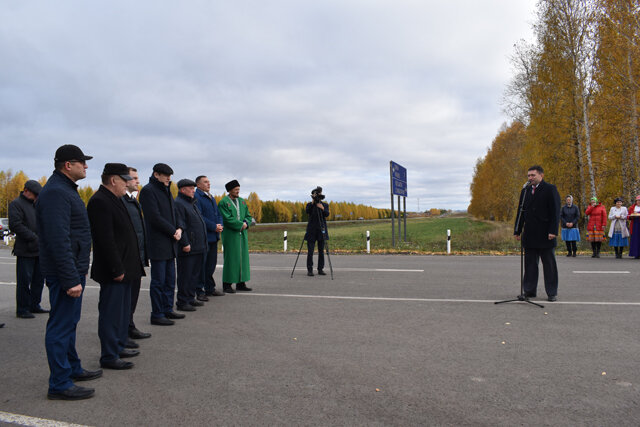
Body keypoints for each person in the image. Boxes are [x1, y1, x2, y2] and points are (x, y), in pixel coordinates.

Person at [37, 144, 101, 400]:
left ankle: (72, 368)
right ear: (67, 165)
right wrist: (70, 277)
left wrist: (78, 271)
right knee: (60, 327)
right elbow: (58, 239)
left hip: (73, 271)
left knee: (68, 324)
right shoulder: (55, 193)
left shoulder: (64, 190)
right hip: (65, 274)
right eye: (82, 162)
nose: (86, 166)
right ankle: (59, 383)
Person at [87, 163, 145, 370]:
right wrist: (117, 269)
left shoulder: (116, 199)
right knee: (111, 313)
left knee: (121, 312)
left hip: (126, 268)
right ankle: (109, 355)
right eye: (125, 180)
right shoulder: (100, 201)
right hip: (115, 271)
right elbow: (105, 240)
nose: (129, 184)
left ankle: (118, 345)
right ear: (113, 180)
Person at [139, 163, 185, 326]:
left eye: (170, 176)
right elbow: (154, 217)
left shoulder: (166, 190)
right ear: (156, 174)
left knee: (170, 280)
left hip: (171, 242)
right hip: (159, 243)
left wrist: (179, 227)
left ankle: (167, 309)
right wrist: (173, 231)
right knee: (159, 281)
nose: (169, 179)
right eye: (166, 176)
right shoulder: (148, 191)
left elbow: (175, 212)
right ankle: (157, 313)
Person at [514, 165, 561, 302]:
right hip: (529, 233)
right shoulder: (526, 190)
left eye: (533, 175)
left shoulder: (550, 189)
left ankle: (551, 292)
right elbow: (520, 211)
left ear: (541, 175)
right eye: (528, 175)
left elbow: (555, 211)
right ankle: (529, 290)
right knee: (530, 265)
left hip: (546, 234)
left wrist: (553, 230)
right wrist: (517, 230)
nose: (530, 178)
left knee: (549, 265)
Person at [9, 180, 47, 318]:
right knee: (24, 281)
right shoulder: (16, 204)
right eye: (35, 194)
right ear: (26, 191)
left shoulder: (36, 205)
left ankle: (34, 304)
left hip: (39, 249)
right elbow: (15, 225)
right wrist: (33, 237)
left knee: (38, 280)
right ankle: (23, 308)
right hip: (25, 249)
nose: (36, 197)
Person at [121, 167, 151, 341]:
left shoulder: (133, 201)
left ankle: (129, 327)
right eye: (133, 178)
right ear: (124, 180)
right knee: (123, 300)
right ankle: (121, 333)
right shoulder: (121, 202)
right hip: (127, 259)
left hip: (136, 258)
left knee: (132, 298)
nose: (137, 181)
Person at [174, 179, 208, 311]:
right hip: (188, 247)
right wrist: (185, 242)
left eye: (194, 188)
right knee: (185, 275)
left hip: (198, 246)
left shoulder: (191, 203)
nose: (193, 190)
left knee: (194, 275)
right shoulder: (179, 204)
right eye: (191, 188)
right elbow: (180, 225)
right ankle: (182, 302)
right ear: (183, 190)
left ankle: (190, 298)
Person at [219, 180, 253, 293]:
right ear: (229, 190)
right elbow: (227, 219)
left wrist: (246, 223)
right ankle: (227, 284)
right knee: (231, 258)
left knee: (242, 258)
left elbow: (248, 216)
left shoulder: (242, 201)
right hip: (231, 235)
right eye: (236, 189)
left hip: (242, 234)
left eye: (239, 189)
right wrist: (240, 225)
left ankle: (241, 283)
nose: (238, 191)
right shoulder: (224, 202)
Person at [194, 175, 224, 300]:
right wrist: (213, 226)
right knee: (202, 265)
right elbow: (199, 216)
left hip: (214, 236)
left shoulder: (211, 197)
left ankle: (209, 288)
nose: (208, 184)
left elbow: (217, 213)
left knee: (211, 264)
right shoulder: (197, 197)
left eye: (209, 182)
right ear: (198, 185)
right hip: (204, 236)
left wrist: (220, 224)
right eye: (205, 182)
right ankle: (199, 290)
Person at [305, 186, 330, 276]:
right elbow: (307, 211)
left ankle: (320, 269)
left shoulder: (325, 205)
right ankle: (310, 270)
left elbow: (327, 214)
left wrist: (322, 208)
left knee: (321, 251)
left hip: (321, 230)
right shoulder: (309, 205)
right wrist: (312, 203)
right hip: (311, 230)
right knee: (310, 251)